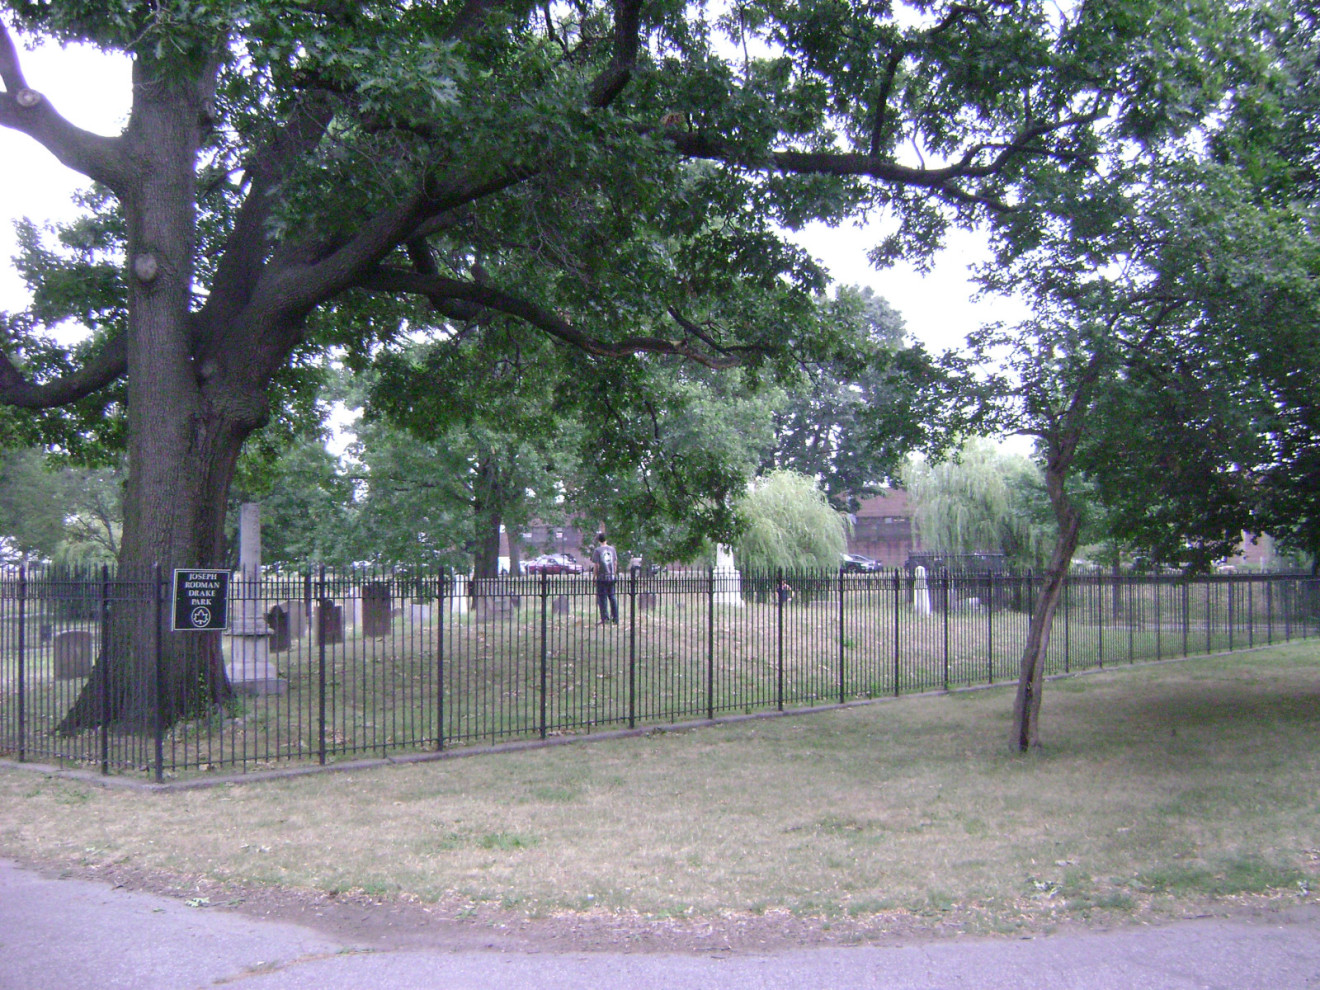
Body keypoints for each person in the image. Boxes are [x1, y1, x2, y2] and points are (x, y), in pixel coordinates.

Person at [591, 532, 619, 624]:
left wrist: (594, 576)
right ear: (606, 539)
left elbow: (597, 565)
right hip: (611, 576)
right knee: (612, 597)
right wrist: (613, 574)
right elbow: (615, 563)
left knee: (602, 598)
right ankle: (615, 618)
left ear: (599, 540)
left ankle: (605, 618)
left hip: (602, 577)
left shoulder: (597, 551)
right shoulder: (612, 549)